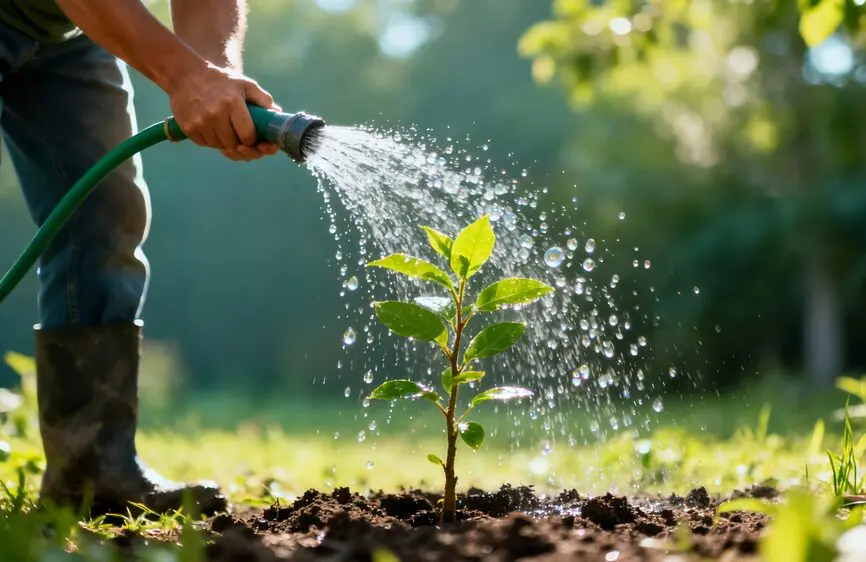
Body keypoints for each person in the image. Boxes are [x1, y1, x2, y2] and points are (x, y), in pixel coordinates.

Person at [0, 0, 281, 516]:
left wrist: (217, 74)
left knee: (104, 211)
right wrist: (185, 75)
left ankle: (91, 473)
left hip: (66, 28)